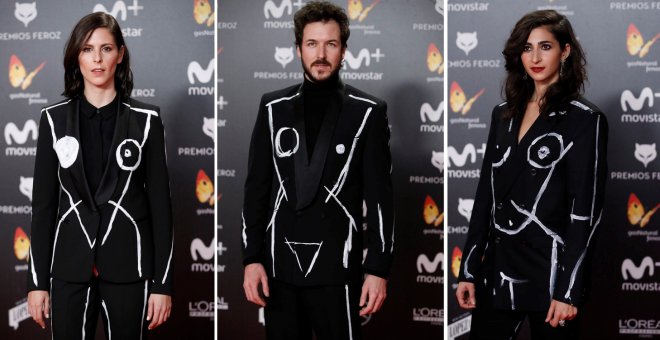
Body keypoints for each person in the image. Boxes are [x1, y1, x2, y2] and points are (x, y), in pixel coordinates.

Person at [241, 2, 394, 339]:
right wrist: (251, 259)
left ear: (343, 49)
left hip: (338, 271)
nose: (321, 54)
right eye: (312, 44)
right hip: (278, 271)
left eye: (331, 44)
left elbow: (381, 198)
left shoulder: (368, 112)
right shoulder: (272, 107)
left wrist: (378, 268)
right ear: (298, 49)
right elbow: (256, 190)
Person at [455, 10, 608, 340]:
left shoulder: (585, 120)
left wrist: (568, 291)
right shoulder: (502, 115)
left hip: (552, 275)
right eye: (527, 48)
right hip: (497, 270)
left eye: (545, 47)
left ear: (565, 51)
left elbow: (585, 213)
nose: (535, 58)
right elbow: (486, 196)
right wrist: (467, 269)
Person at [27, 12, 173, 340]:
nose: (97, 58)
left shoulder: (147, 120)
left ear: (120, 55)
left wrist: (163, 284)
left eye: (106, 49)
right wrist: (36, 283)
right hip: (67, 270)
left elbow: (162, 210)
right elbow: (43, 208)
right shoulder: (52, 120)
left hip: (130, 269)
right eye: (87, 48)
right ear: (75, 55)